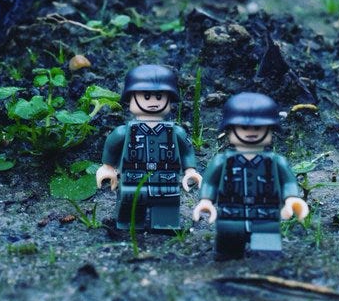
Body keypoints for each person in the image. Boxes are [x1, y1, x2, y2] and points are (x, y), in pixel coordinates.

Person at [192, 92, 308, 258]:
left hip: (265, 215)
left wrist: (291, 199)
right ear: (230, 129)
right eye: (244, 127)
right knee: (228, 252)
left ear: (270, 129)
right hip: (231, 214)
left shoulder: (276, 161)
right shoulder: (222, 161)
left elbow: (288, 182)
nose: (251, 132)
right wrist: (206, 200)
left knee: (267, 254)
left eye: (258, 128)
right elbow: (210, 183)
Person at [97, 64, 201, 233]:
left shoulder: (175, 132)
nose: (153, 102)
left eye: (159, 96)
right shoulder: (124, 132)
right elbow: (111, 146)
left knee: (167, 205)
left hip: (166, 180)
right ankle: (128, 226)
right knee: (131, 205)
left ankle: (165, 226)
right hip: (133, 179)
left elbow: (186, 151)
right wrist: (108, 167)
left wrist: (190, 171)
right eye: (146, 96)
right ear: (131, 98)